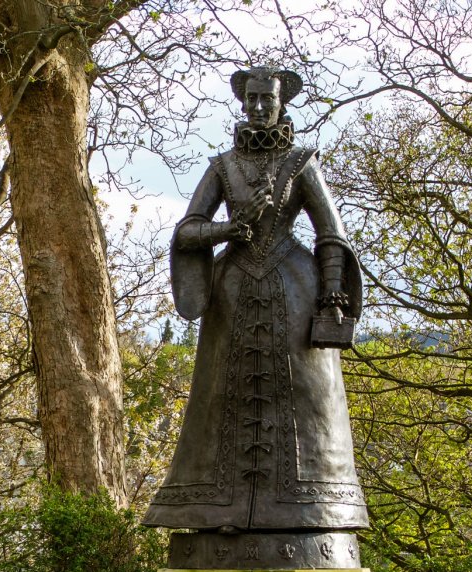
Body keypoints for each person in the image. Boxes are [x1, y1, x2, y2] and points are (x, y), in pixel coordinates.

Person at [142, 67, 368, 535]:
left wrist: (331, 294)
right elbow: (187, 229)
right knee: (220, 399)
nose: (260, 106)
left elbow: (331, 233)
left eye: (268, 98)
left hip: (295, 290)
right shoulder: (222, 166)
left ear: (282, 103)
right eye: (252, 99)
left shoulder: (303, 162)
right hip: (232, 292)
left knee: (306, 400)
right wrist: (225, 230)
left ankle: (313, 507)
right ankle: (217, 509)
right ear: (242, 103)